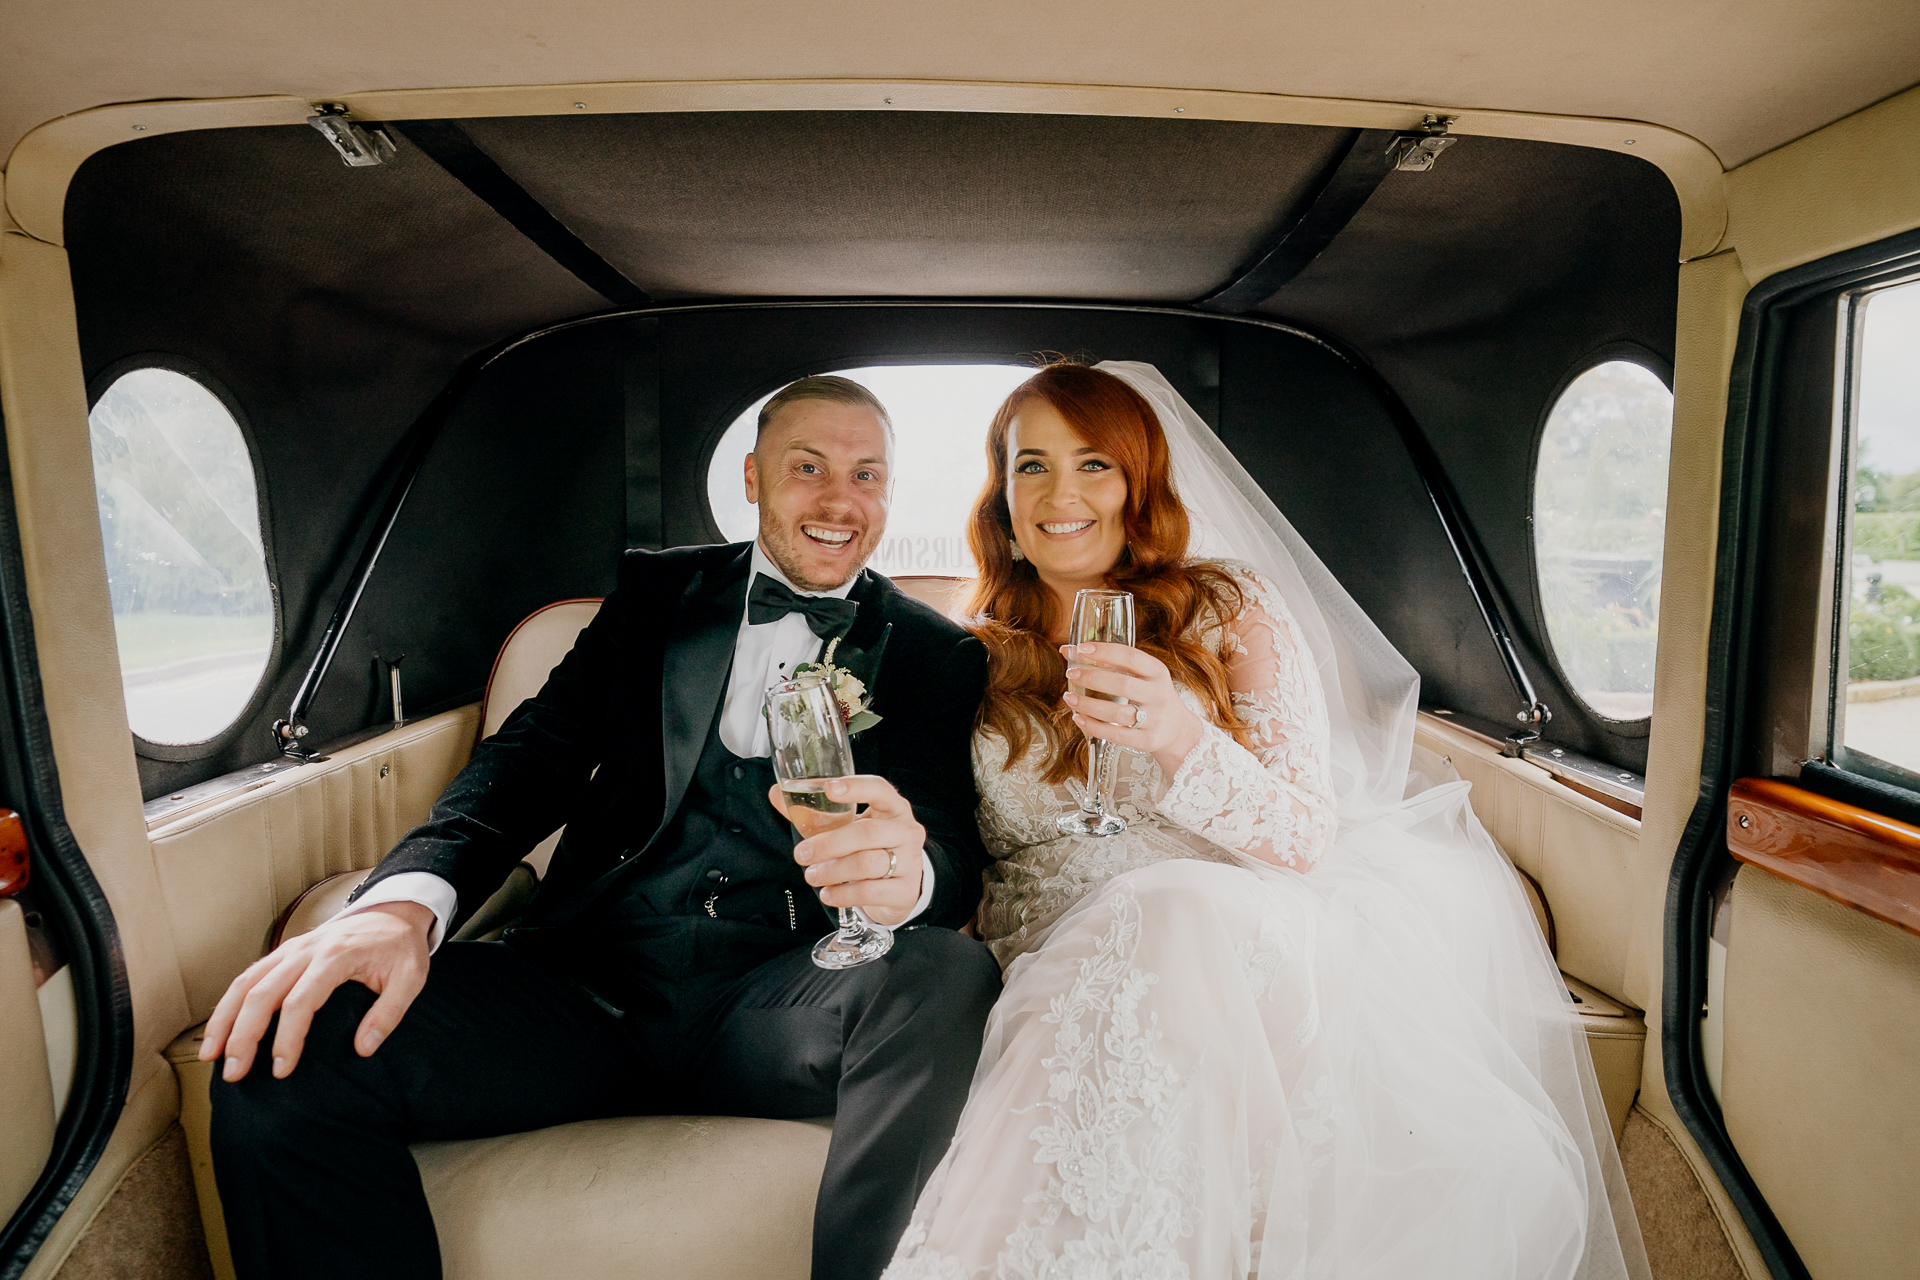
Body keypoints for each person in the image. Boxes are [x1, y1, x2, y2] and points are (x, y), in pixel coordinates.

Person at [202, 375, 1004, 1280]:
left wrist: (917, 877)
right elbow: (529, 761)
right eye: (807, 467)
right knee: (288, 1044)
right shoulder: (656, 596)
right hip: (584, 989)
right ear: (751, 476)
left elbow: (946, 841)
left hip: (782, 1002)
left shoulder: (940, 656)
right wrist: (399, 907)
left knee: (948, 972)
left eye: (867, 476)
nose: (838, 500)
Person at [883, 362, 1650, 1279]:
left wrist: (1176, 735)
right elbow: (952, 847)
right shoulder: (964, 653)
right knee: (1136, 942)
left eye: (1094, 465)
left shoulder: (1226, 607)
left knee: (1170, 907)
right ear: (1001, 494)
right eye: (1031, 466)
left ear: (1139, 484)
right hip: (1049, 940)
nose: (1060, 494)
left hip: (1237, 920)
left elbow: (1301, 835)